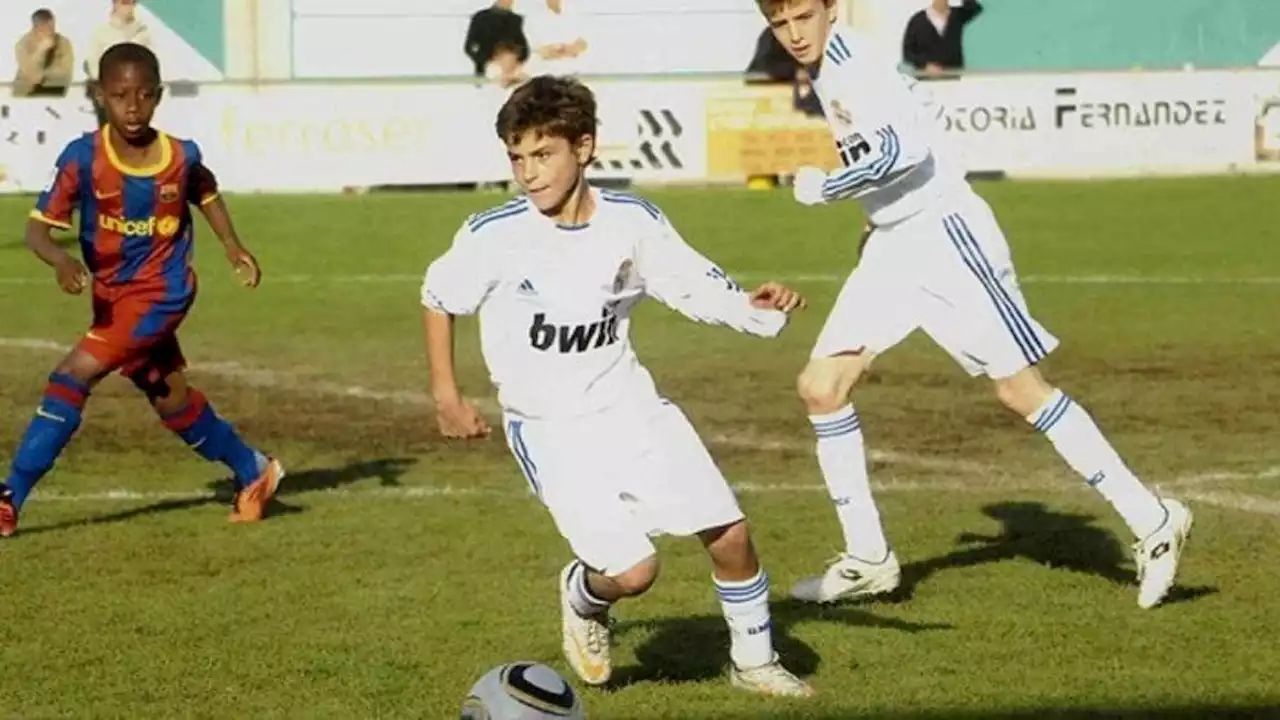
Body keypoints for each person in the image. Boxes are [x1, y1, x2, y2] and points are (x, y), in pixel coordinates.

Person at [753, 0, 1193, 610]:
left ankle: (1153, 521)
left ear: (830, 8)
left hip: (944, 235)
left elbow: (902, 155)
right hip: (895, 241)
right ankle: (870, 559)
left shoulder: (856, 63)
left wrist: (824, 187)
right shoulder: (829, 64)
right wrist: (872, 224)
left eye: (804, 16)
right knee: (822, 386)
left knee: (1021, 390)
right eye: (781, 23)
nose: (795, 33)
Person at [419, 76, 813, 696]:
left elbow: (694, 287)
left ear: (585, 147)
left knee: (731, 535)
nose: (528, 173)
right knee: (633, 572)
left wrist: (758, 306)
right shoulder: (494, 233)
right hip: (548, 428)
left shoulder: (632, 222)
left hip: (630, 406)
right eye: (516, 157)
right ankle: (583, 596)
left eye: (542, 154)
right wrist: (446, 393)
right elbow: (438, 296)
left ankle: (755, 662)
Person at [0, 43, 284, 539]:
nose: (132, 107)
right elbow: (37, 231)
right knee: (170, 399)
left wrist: (234, 247)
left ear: (158, 96)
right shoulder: (82, 158)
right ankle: (254, 469)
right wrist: (61, 259)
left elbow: (206, 191)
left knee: (70, 376)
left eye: (144, 96)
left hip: (162, 292)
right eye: (119, 95)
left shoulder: (180, 155)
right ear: (99, 96)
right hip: (112, 295)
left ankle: (9, 498)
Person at [85, 0, 152, 126]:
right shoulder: (102, 31)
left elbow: (149, 63)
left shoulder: (142, 32)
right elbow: (92, 64)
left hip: (138, 93)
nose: (128, 7)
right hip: (112, 93)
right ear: (115, 4)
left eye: (132, 3)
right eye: (124, 2)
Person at [12, 8, 75, 98]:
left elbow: (65, 72)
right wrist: (40, 50)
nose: (52, 31)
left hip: (55, 90)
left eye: (53, 27)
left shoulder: (64, 43)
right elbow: (29, 74)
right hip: (26, 93)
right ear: (36, 28)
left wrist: (41, 75)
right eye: (47, 28)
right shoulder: (22, 44)